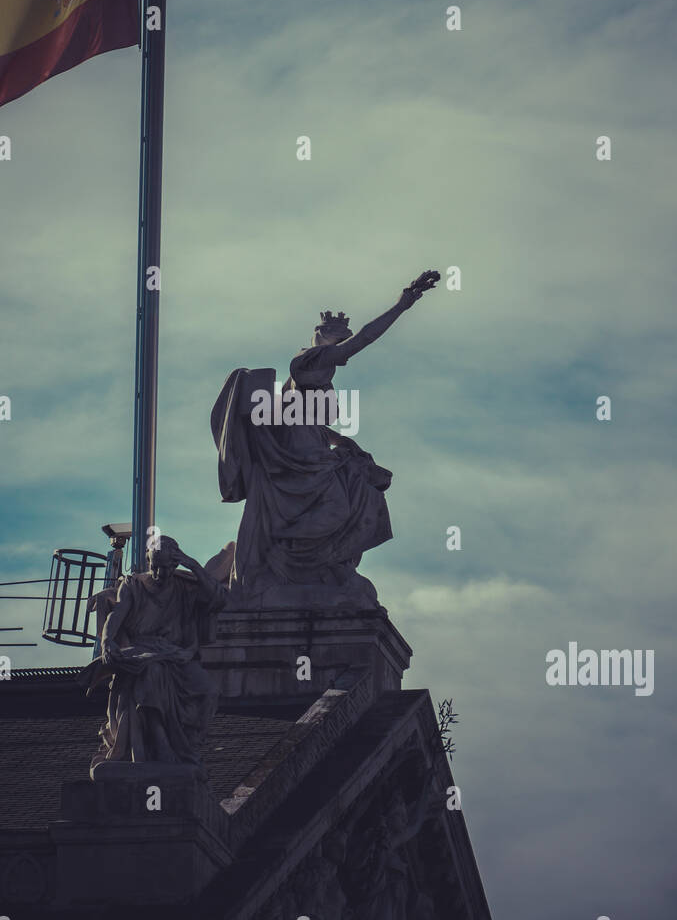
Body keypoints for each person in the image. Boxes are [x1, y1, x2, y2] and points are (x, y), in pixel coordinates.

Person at [211, 270, 439, 604]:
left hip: (314, 455)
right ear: (325, 338)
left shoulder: (316, 372)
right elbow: (364, 339)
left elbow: (301, 418)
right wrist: (401, 305)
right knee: (339, 507)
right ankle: (285, 552)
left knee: (361, 496)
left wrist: (340, 440)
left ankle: (311, 561)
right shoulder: (308, 362)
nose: (343, 346)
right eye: (338, 337)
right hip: (301, 464)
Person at [84, 536, 227, 772]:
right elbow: (116, 615)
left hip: (177, 655)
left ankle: (187, 748)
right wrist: (108, 641)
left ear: (175, 565)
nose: (159, 572)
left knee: (208, 691)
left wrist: (192, 565)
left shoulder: (185, 587)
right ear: (149, 562)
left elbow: (218, 598)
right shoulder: (133, 585)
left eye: (166, 567)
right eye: (155, 566)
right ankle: (161, 745)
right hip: (143, 651)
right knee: (151, 673)